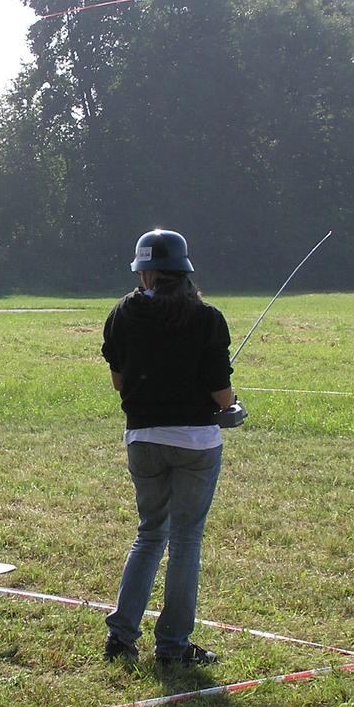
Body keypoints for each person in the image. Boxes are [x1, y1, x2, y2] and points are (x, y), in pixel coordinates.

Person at [100, 229, 236, 665]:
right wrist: (233, 405)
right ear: (183, 271)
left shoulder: (122, 313)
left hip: (143, 440)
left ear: (146, 273)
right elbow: (221, 394)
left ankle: (121, 636)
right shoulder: (207, 318)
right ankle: (173, 645)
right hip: (196, 443)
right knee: (185, 540)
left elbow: (119, 381)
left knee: (149, 534)